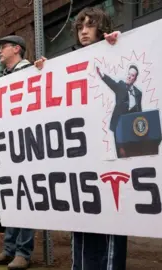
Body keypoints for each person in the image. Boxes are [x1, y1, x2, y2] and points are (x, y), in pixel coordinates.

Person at [35, 6, 124, 270]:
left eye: (89, 25)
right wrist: (40, 73)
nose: (83, 31)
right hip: (79, 153)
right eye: (80, 27)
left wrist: (118, 45)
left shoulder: (116, 47)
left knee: (111, 217)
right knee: (82, 218)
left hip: (108, 149)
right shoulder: (68, 61)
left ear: (102, 26)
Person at [0, 35, 35, 270]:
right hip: (8, 146)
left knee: (25, 200)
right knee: (11, 200)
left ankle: (23, 252)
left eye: (2, 47)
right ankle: (9, 249)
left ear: (16, 49)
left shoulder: (29, 72)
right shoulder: (3, 80)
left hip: (26, 144)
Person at [96, 64, 142, 158]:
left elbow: (139, 110)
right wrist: (102, 75)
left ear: (135, 78)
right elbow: (112, 83)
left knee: (132, 152)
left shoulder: (138, 93)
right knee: (122, 153)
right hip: (118, 126)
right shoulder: (121, 86)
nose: (129, 77)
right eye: (128, 74)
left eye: (132, 75)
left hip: (131, 127)